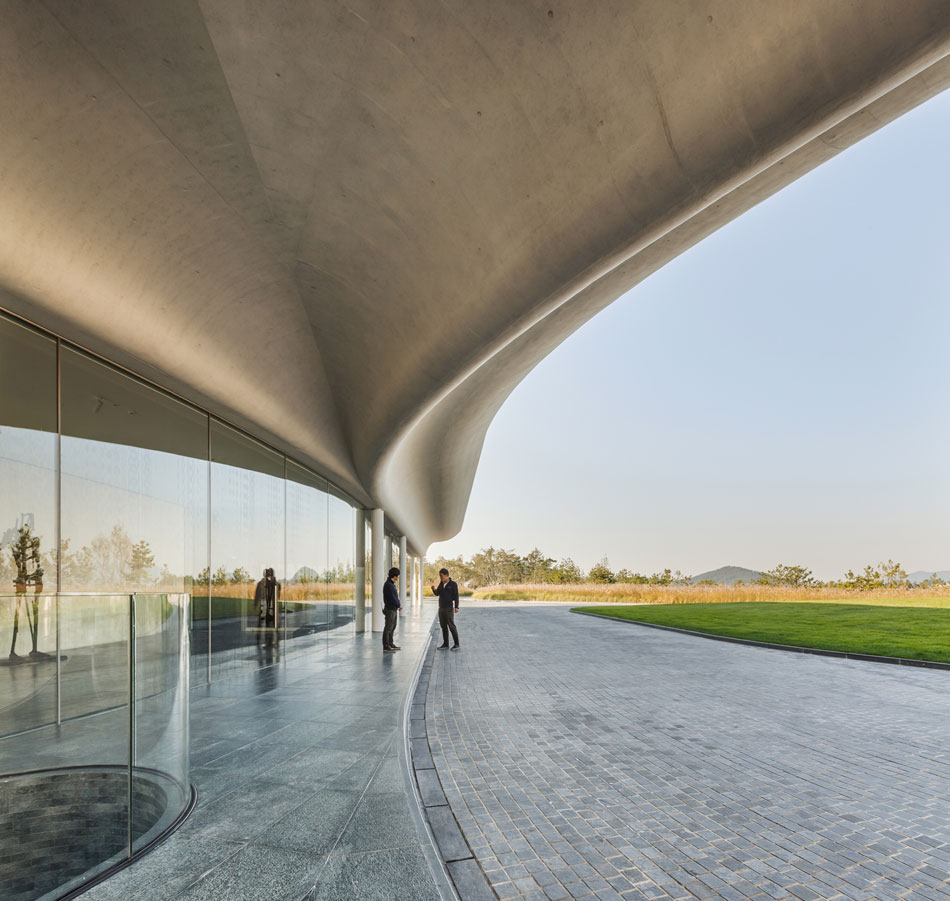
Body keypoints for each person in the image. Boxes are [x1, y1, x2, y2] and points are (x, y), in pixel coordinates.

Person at [432, 567, 460, 650]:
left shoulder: (453, 584)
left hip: (448, 608)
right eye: (440, 576)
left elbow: (456, 596)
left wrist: (456, 607)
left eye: (441, 576)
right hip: (441, 608)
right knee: (443, 626)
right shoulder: (441, 583)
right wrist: (433, 589)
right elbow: (437, 593)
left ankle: (457, 644)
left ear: (447, 575)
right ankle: (445, 644)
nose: (440, 577)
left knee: (451, 626)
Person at [382, 566, 402, 652]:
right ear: (394, 576)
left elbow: (395, 597)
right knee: (388, 628)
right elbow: (392, 598)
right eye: (397, 576)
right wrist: (398, 605)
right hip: (390, 609)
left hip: (393, 609)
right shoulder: (388, 585)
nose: (397, 578)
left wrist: (398, 605)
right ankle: (386, 646)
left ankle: (390, 643)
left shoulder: (391, 584)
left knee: (393, 626)